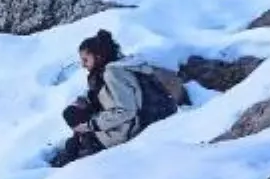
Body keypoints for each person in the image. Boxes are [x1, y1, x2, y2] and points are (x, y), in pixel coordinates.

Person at [53, 29, 177, 167]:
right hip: (126, 122)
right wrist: (85, 101)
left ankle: (71, 160)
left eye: (85, 59)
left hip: (126, 130)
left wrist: (91, 125)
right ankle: (76, 145)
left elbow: (126, 111)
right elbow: (105, 93)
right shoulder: (116, 66)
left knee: (74, 146)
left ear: (98, 56)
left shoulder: (113, 73)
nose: (83, 65)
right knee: (71, 114)